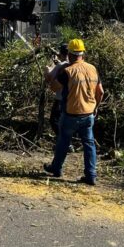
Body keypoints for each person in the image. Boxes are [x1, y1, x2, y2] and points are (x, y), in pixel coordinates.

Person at [43, 39, 104, 185]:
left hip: (70, 114)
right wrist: (95, 108)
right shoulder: (92, 68)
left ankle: (56, 169)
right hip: (88, 114)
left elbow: (54, 88)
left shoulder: (67, 71)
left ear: (69, 54)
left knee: (63, 141)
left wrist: (50, 73)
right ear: (82, 53)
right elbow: (100, 92)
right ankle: (91, 175)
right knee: (89, 144)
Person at [44, 43, 69, 136]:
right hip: (72, 99)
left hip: (60, 99)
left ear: (61, 53)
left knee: (54, 120)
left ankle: (64, 141)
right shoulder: (73, 64)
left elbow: (49, 78)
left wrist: (47, 69)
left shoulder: (61, 65)